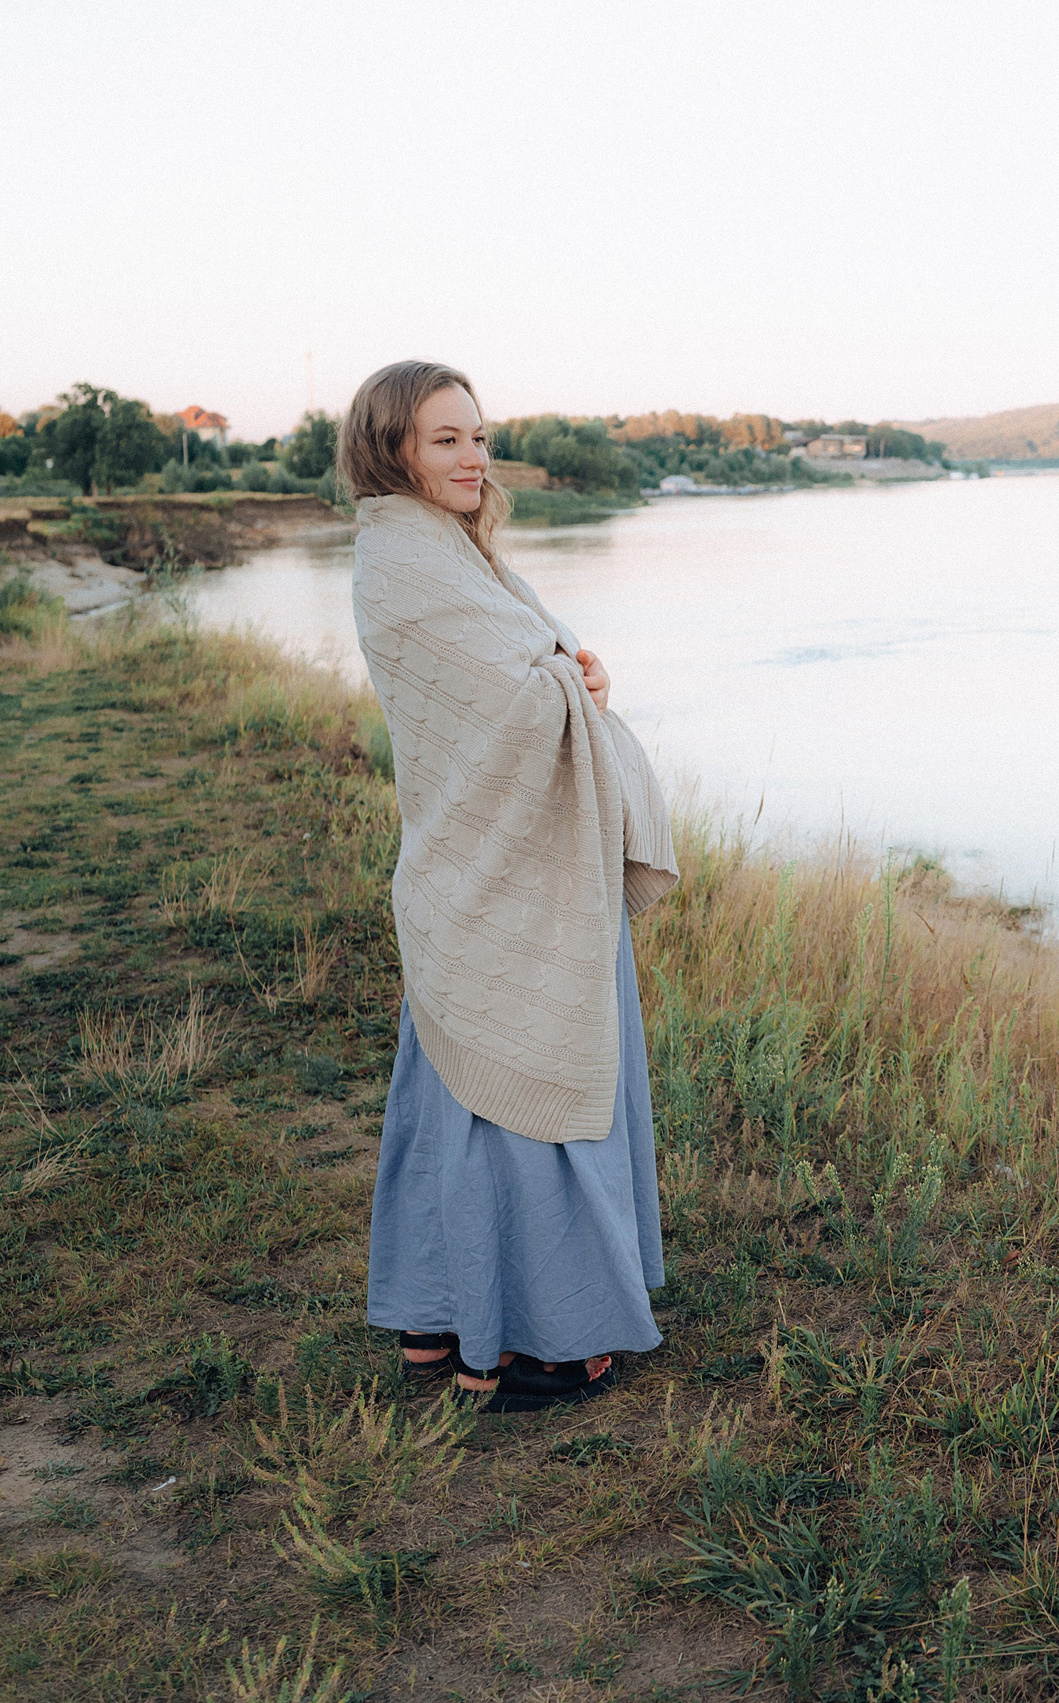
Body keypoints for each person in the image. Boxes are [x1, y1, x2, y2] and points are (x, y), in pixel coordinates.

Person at [340, 361, 677, 1412]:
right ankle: (550, 1334)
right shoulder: (405, 561)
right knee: (529, 1081)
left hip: (501, 861)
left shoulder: (452, 552)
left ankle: (444, 1315)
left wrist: (580, 676)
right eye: (446, 439)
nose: (475, 457)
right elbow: (521, 698)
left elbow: (538, 674)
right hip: (494, 867)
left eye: (479, 437)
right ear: (392, 448)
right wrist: (573, 681)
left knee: (471, 1087)